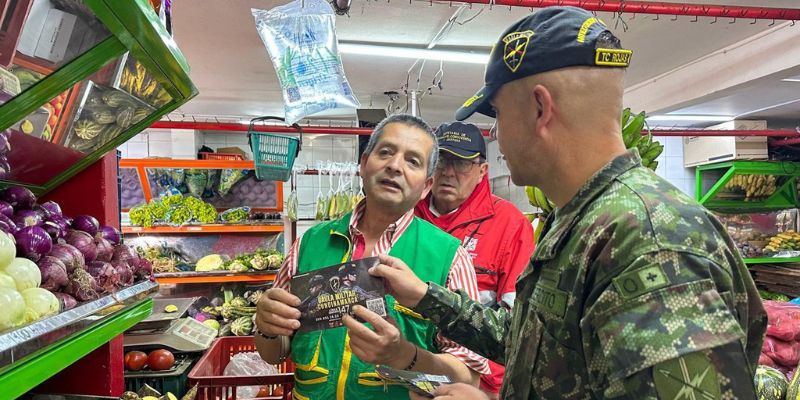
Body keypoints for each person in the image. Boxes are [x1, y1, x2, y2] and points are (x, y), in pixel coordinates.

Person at [367, 6, 767, 399]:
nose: (497, 135)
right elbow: (535, 345)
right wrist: (424, 296)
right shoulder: (582, 220)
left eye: (499, 115)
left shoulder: (648, 240)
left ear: (540, 109)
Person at [254, 114, 489, 400]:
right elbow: (274, 353)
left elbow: (469, 377)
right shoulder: (309, 243)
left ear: (426, 186)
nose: (395, 166)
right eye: (386, 152)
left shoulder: (449, 257)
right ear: (364, 164)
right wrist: (266, 328)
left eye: (413, 161)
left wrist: (404, 355)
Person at [414, 121, 535, 398]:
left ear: (482, 171)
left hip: (479, 383)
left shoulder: (510, 224)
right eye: (441, 161)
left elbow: (516, 322)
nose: (448, 172)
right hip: (407, 371)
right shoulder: (408, 216)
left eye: (461, 164)